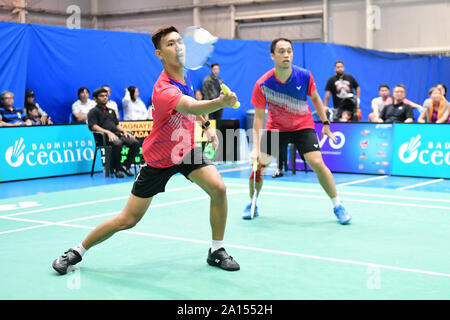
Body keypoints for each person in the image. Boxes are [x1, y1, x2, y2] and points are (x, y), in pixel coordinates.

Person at [52, 25, 240, 275]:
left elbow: (190, 111)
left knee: (219, 188)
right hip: (160, 158)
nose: (178, 46)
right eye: (171, 44)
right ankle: (76, 251)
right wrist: (218, 102)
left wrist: (205, 125)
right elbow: (191, 105)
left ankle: (216, 250)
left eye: (180, 41)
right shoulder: (163, 89)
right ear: (159, 54)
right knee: (128, 219)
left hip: (184, 148)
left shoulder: (185, 76)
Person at [243, 37, 352, 225]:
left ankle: (337, 205)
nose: (286, 55)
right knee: (259, 166)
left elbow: (316, 99)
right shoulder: (262, 84)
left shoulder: (304, 76)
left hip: (302, 125)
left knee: (317, 162)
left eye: (289, 51)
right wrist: (255, 147)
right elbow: (259, 117)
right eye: (281, 51)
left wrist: (325, 123)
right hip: (276, 128)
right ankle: (252, 202)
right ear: (272, 56)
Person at [88, 87, 140, 178]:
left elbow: (116, 124)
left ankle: (125, 166)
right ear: (95, 99)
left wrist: (124, 131)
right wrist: (108, 132)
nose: (104, 97)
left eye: (106, 96)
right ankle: (117, 169)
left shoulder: (111, 111)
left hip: (116, 135)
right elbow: (93, 126)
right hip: (103, 138)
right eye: (101, 96)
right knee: (117, 143)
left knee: (134, 142)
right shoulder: (93, 112)